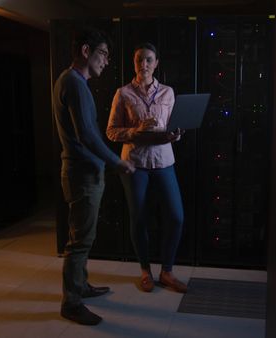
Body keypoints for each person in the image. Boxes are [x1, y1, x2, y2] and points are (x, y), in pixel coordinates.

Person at [53, 27, 135, 326]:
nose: (106, 61)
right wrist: (117, 162)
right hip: (82, 175)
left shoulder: (69, 81)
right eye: (102, 54)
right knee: (79, 242)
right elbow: (87, 135)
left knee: (83, 237)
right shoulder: (74, 84)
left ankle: (81, 286)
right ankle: (71, 303)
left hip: (82, 172)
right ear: (86, 51)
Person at [106, 42, 188, 294]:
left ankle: (167, 271)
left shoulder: (168, 93)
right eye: (139, 59)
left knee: (176, 217)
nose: (144, 64)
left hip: (164, 161)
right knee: (139, 219)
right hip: (135, 164)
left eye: (149, 60)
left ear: (156, 63)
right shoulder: (123, 93)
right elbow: (111, 131)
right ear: (134, 63)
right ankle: (145, 271)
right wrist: (135, 131)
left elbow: (174, 125)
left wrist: (176, 134)